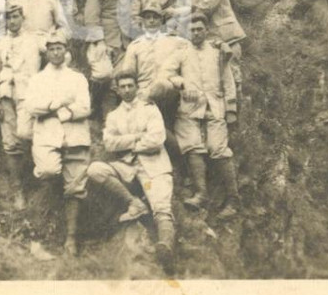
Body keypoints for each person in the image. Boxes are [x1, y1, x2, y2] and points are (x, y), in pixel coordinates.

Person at [87, 71, 175, 271]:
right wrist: (137, 137)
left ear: (137, 87)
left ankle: (166, 247)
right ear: (117, 90)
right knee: (95, 169)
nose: (127, 90)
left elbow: (156, 140)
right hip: (127, 167)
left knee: (162, 207)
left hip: (154, 165)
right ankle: (133, 202)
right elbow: (110, 143)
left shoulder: (150, 109)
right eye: (123, 87)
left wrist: (128, 144)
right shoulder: (114, 116)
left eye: (130, 86)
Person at [25, 30, 92, 254]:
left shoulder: (77, 78)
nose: (55, 53)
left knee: (75, 186)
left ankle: (71, 238)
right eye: (52, 49)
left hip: (75, 134)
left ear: (66, 50)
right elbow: (32, 106)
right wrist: (55, 104)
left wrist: (63, 112)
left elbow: (85, 107)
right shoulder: (37, 79)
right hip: (47, 135)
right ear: (46, 53)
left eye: (59, 48)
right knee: (48, 171)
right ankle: (41, 231)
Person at [177, 14, 240, 218]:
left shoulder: (217, 52)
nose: (196, 33)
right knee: (191, 144)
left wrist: (231, 109)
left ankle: (233, 199)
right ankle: (201, 194)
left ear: (206, 31)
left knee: (217, 147)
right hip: (190, 107)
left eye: (199, 29)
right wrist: (181, 85)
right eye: (192, 30)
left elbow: (228, 80)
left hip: (215, 105)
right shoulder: (181, 52)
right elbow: (170, 74)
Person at [0, 1, 45, 210]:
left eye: (15, 16)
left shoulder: (35, 40)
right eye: (8, 18)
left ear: (22, 17)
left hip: (28, 95)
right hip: (6, 95)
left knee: (27, 134)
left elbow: (58, 51)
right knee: (10, 142)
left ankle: (39, 180)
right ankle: (17, 188)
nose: (12, 21)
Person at [117, 0, 191, 134]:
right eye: (148, 17)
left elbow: (194, 49)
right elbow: (128, 74)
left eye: (155, 17)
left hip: (167, 94)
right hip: (143, 92)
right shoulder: (135, 46)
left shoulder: (174, 41)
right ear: (143, 21)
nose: (151, 21)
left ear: (161, 20)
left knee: (161, 86)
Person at [184, 0, 246, 98]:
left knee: (233, 80)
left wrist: (179, 13)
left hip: (226, 37)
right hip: (206, 39)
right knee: (213, 83)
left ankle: (237, 109)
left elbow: (206, 7)